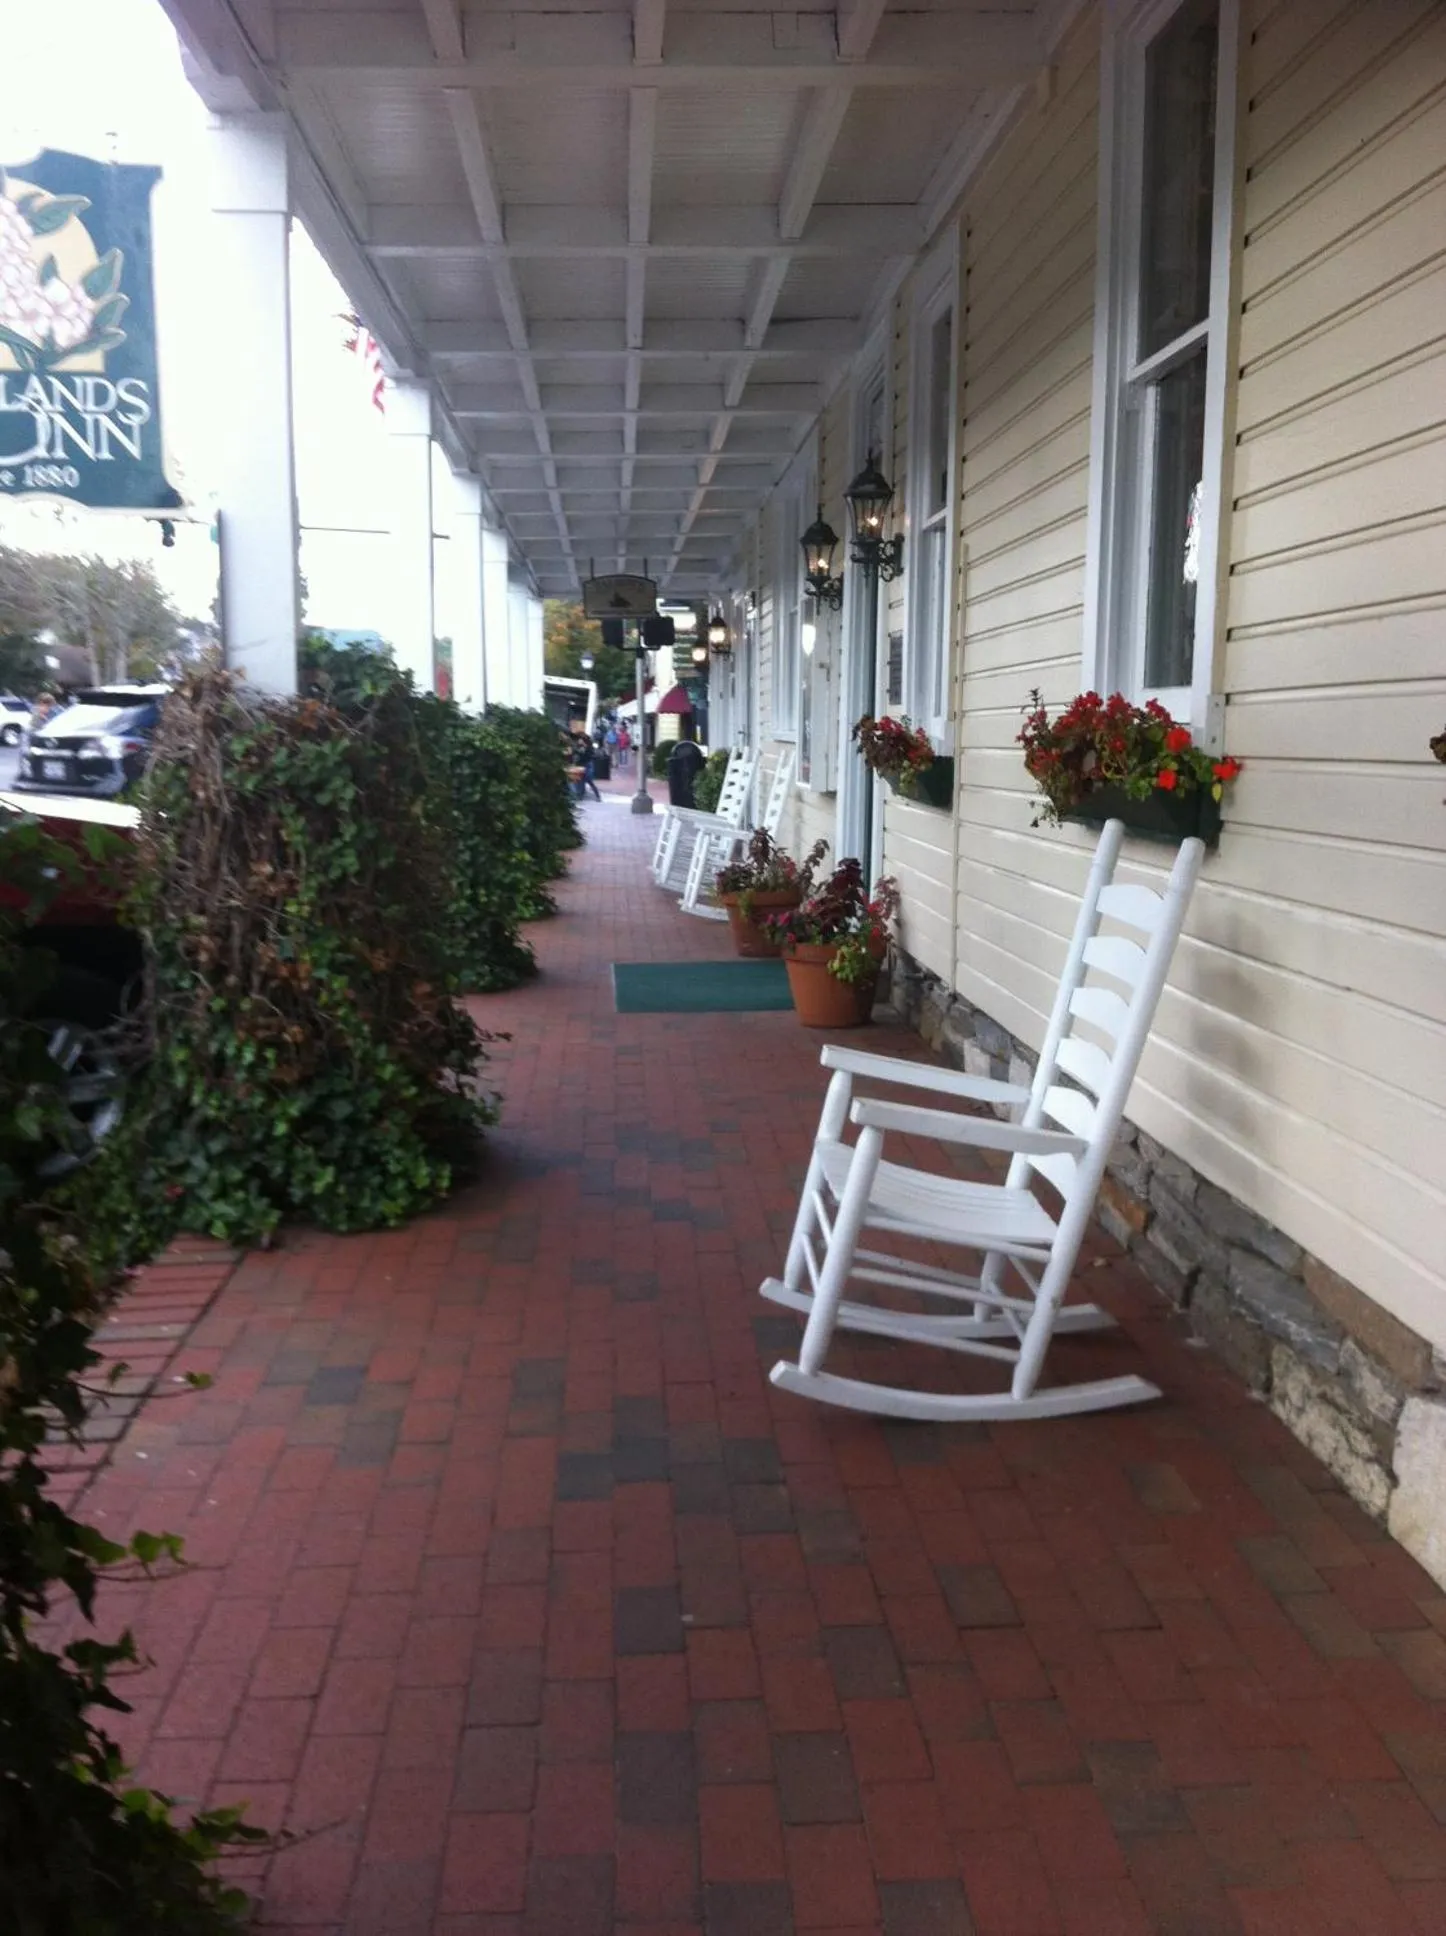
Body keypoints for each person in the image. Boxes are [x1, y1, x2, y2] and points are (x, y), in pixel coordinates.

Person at [569, 727, 602, 802]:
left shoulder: (587, 745)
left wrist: (580, 748)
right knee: (581, 780)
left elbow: (584, 754)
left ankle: (596, 796)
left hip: (586, 764)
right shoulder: (583, 745)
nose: (578, 741)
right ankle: (580, 796)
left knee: (587, 780)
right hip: (583, 764)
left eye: (579, 739)